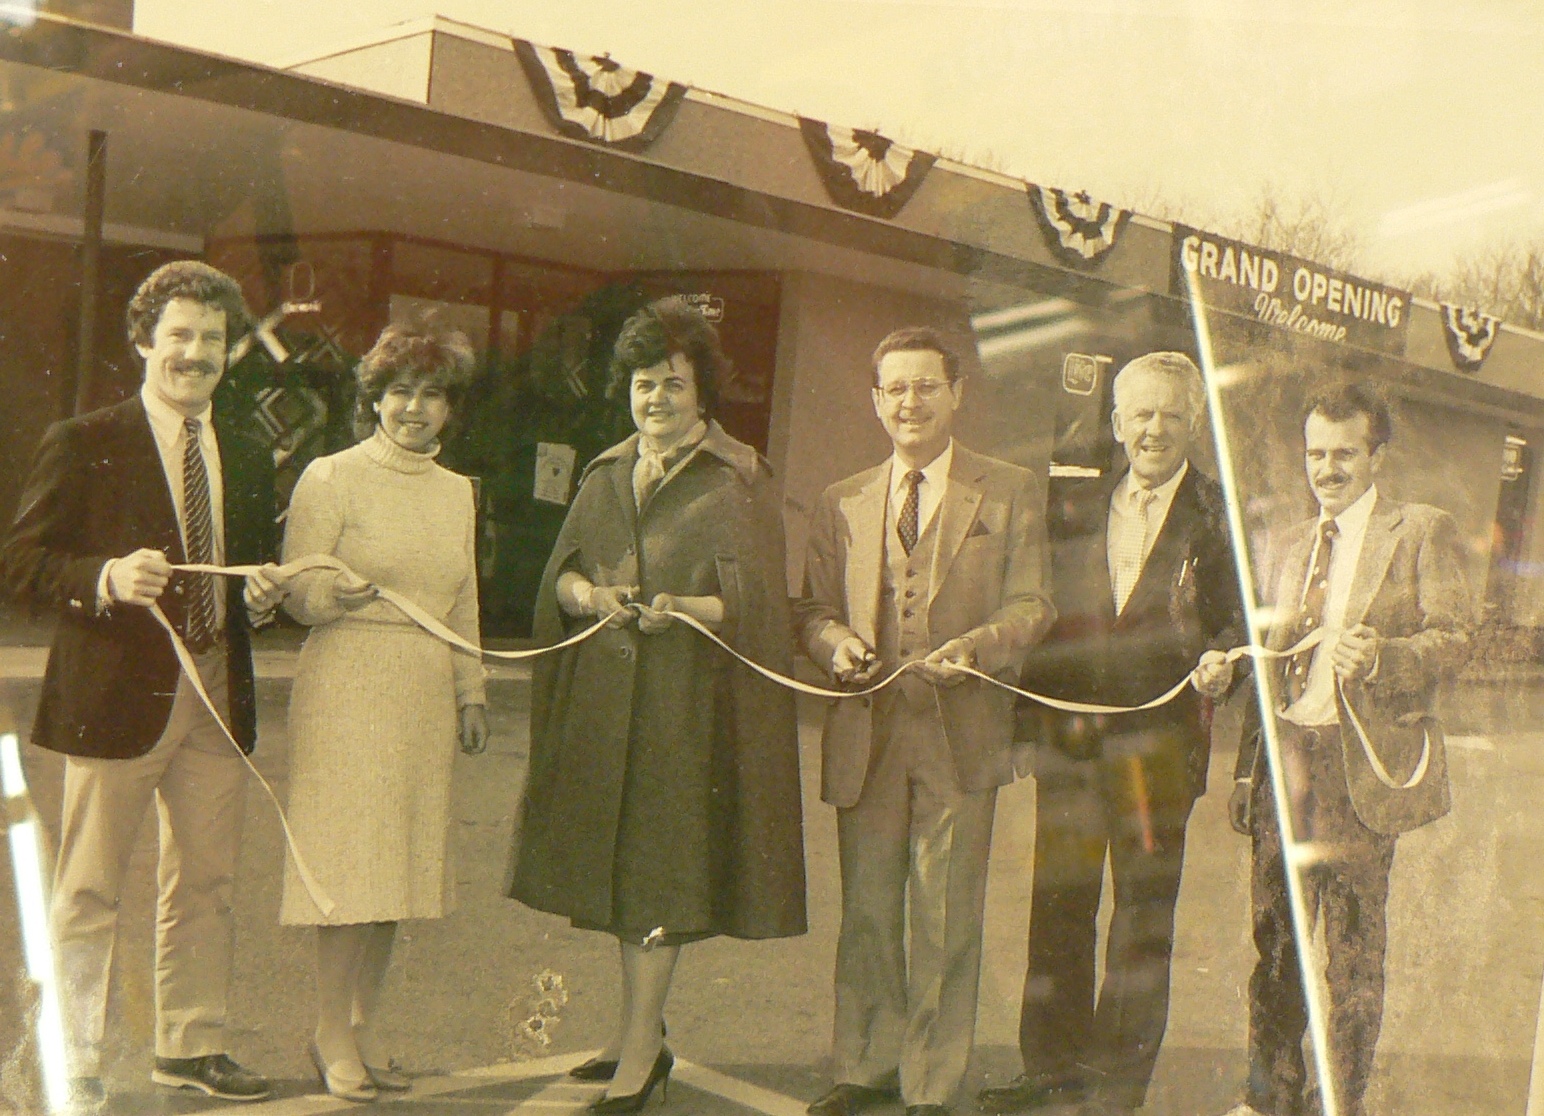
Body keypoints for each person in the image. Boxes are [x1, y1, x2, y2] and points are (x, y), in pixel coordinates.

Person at [508, 296, 805, 1113]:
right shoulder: (608, 473)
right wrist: (591, 596)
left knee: (659, 881)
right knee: (620, 877)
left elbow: (758, 606)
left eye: (673, 384)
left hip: (687, 715)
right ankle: (636, 1032)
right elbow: (562, 577)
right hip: (608, 711)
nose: (657, 400)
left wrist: (683, 608)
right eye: (644, 384)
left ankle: (642, 1054)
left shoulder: (738, 478)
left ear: (703, 389)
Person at [1, 260, 287, 1107]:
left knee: (207, 884)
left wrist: (260, 596)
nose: (195, 353)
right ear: (143, 342)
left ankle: (191, 1048)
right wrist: (104, 576)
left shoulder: (247, 452)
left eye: (212, 338)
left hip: (216, 695)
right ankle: (71, 1058)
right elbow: (20, 562)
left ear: (229, 352)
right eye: (179, 335)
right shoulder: (85, 440)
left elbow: (241, 572)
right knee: (89, 889)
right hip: (115, 699)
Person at [796, 327, 1055, 1116]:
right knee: (869, 910)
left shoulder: (1008, 490)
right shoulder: (841, 500)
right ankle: (866, 1064)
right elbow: (810, 610)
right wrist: (835, 644)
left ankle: (932, 1084)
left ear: (957, 394)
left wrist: (979, 646)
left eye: (926, 387)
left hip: (960, 732)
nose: (911, 402)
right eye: (896, 389)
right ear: (877, 402)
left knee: (946, 914)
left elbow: (1034, 604)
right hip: (868, 733)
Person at [977, 352, 1244, 1116]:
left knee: (1141, 923)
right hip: (1072, 743)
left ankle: (1115, 1092)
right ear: (1119, 423)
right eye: (1141, 414)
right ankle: (1051, 1072)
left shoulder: (1219, 513)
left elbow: (1234, 620)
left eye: (1170, 414)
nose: (1154, 429)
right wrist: (1025, 727)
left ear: (1192, 423)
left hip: (1159, 754)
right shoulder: (1076, 504)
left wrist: (1225, 661)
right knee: (1058, 908)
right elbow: (1047, 620)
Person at [1220, 384, 1472, 1116]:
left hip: (1356, 771)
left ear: (1376, 456)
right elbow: (1270, 661)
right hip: (1287, 764)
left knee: (1353, 956)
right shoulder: (1293, 541)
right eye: (1315, 455)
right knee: (1275, 946)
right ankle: (1267, 1098)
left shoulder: (1418, 530)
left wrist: (1388, 656)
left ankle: (1341, 1101)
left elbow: (1456, 637)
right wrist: (1246, 770)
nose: (1326, 470)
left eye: (1344, 454)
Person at [278, 323, 490, 1102]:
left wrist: (470, 689)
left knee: (398, 870)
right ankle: (329, 1034)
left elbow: (462, 599)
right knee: (352, 868)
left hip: (423, 691)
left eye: (432, 395)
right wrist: (332, 594)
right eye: (400, 391)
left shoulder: (457, 492)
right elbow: (296, 592)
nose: (414, 408)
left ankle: (360, 1033)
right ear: (374, 398)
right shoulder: (331, 477)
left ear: (450, 409)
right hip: (348, 681)